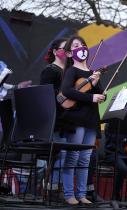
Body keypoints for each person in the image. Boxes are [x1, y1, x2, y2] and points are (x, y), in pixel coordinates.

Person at [60, 36, 105, 205]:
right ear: (71, 53)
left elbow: (100, 93)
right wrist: (91, 97)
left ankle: (82, 194)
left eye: (83, 45)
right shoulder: (72, 70)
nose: (81, 48)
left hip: (92, 119)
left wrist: (98, 87)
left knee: (85, 158)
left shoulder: (92, 72)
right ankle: (68, 194)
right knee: (73, 157)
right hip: (77, 118)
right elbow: (66, 91)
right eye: (76, 46)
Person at [39, 38, 68, 193]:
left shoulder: (69, 72)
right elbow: (45, 95)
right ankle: (52, 188)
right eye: (65, 48)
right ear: (56, 52)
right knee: (59, 154)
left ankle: (57, 187)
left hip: (66, 120)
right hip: (55, 120)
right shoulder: (51, 70)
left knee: (65, 155)